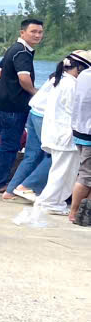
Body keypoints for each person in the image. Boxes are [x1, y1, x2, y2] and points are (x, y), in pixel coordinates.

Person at [0, 18, 46, 192]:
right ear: (22, 33)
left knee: (5, 144)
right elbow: (24, 78)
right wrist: (35, 93)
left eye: (40, 32)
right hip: (14, 107)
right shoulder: (22, 52)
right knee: (9, 146)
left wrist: (9, 85)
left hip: (6, 104)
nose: (37, 35)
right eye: (33, 31)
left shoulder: (14, 48)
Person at [25, 53, 91, 217]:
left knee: (59, 171)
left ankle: (49, 201)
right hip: (65, 135)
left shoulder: (59, 79)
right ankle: (51, 203)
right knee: (64, 173)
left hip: (56, 132)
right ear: (79, 68)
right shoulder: (71, 85)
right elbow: (75, 110)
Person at [4, 73, 56, 201]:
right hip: (45, 117)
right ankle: (27, 186)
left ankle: (11, 190)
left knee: (32, 155)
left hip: (35, 112)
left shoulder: (59, 75)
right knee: (55, 155)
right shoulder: (72, 80)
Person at [67, 55, 91, 222]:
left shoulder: (84, 74)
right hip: (88, 132)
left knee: (86, 173)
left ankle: (84, 213)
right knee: (86, 175)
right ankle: (74, 213)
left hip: (79, 129)